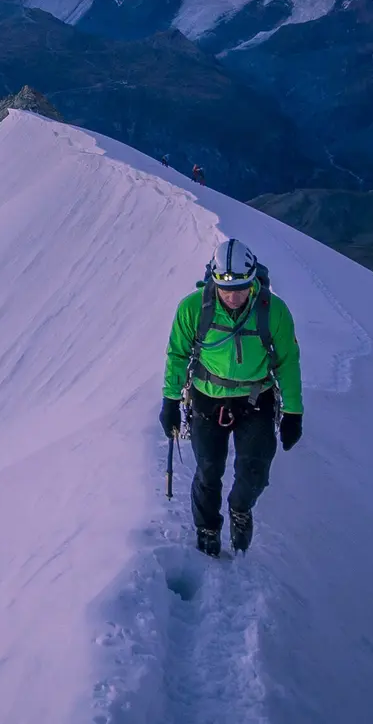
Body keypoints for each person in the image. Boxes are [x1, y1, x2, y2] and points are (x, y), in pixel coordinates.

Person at [159, 238, 302, 557]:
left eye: (242, 287)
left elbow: (288, 361)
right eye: (226, 288)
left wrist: (293, 412)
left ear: (253, 282)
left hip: (257, 399)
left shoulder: (273, 311)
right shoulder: (193, 308)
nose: (234, 296)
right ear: (213, 280)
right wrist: (170, 400)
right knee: (208, 470)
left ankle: (241, 508)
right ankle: (207, 530)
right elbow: (177, 355)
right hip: (208, 399)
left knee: (255, 470)